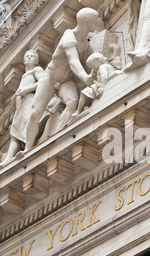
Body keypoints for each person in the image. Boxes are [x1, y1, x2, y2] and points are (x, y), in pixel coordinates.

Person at [24, 8, 104, 152]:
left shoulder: (86, 42)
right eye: (95, 19)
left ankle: (58, 136)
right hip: (50, 77)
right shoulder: (69, 36)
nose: (97, 22)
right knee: (36, 112)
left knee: (72, 102)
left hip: (66, 80)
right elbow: (73, 61)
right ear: (87, 22)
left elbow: (88, 61)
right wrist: (84, 77)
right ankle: (27, 149)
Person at [72, 52, 123, 118]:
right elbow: (94, 76)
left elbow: (103, 76)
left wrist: (102, 87)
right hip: (98, 86)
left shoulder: (102, 67)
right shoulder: (105, 66)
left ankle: (78, 111)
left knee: (84, 93)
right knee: (88, 91)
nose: (93, 69)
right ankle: (83, 108)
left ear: (99, 61)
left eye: (93, 66)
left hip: (101, 86)